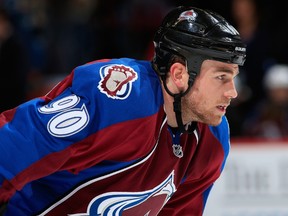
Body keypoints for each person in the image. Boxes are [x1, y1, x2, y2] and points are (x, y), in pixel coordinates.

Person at [0, 6, 246, 216]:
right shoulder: (120, 98)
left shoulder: (212, 139)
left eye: (233, 77)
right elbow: (12, 148)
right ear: (179, 74)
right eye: (221, 77)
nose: (232, 92)